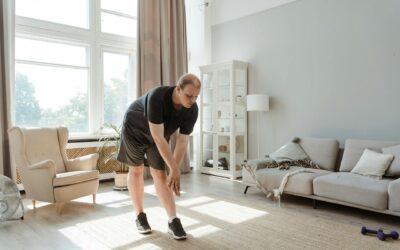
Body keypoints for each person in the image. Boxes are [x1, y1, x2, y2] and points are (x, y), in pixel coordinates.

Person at [117, 73, 201, 240]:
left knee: (160, 174)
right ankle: (140, 216)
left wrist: (173, 171)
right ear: (178, 89)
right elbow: (158, 138)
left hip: (159, 136)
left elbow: (183, 141)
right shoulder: (158, 97)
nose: (192, 100)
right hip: (135, 130)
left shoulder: (192, 110)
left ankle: (173, 220)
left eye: (196, 96)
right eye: (189, 95)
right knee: (137, 170)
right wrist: (175, 168)